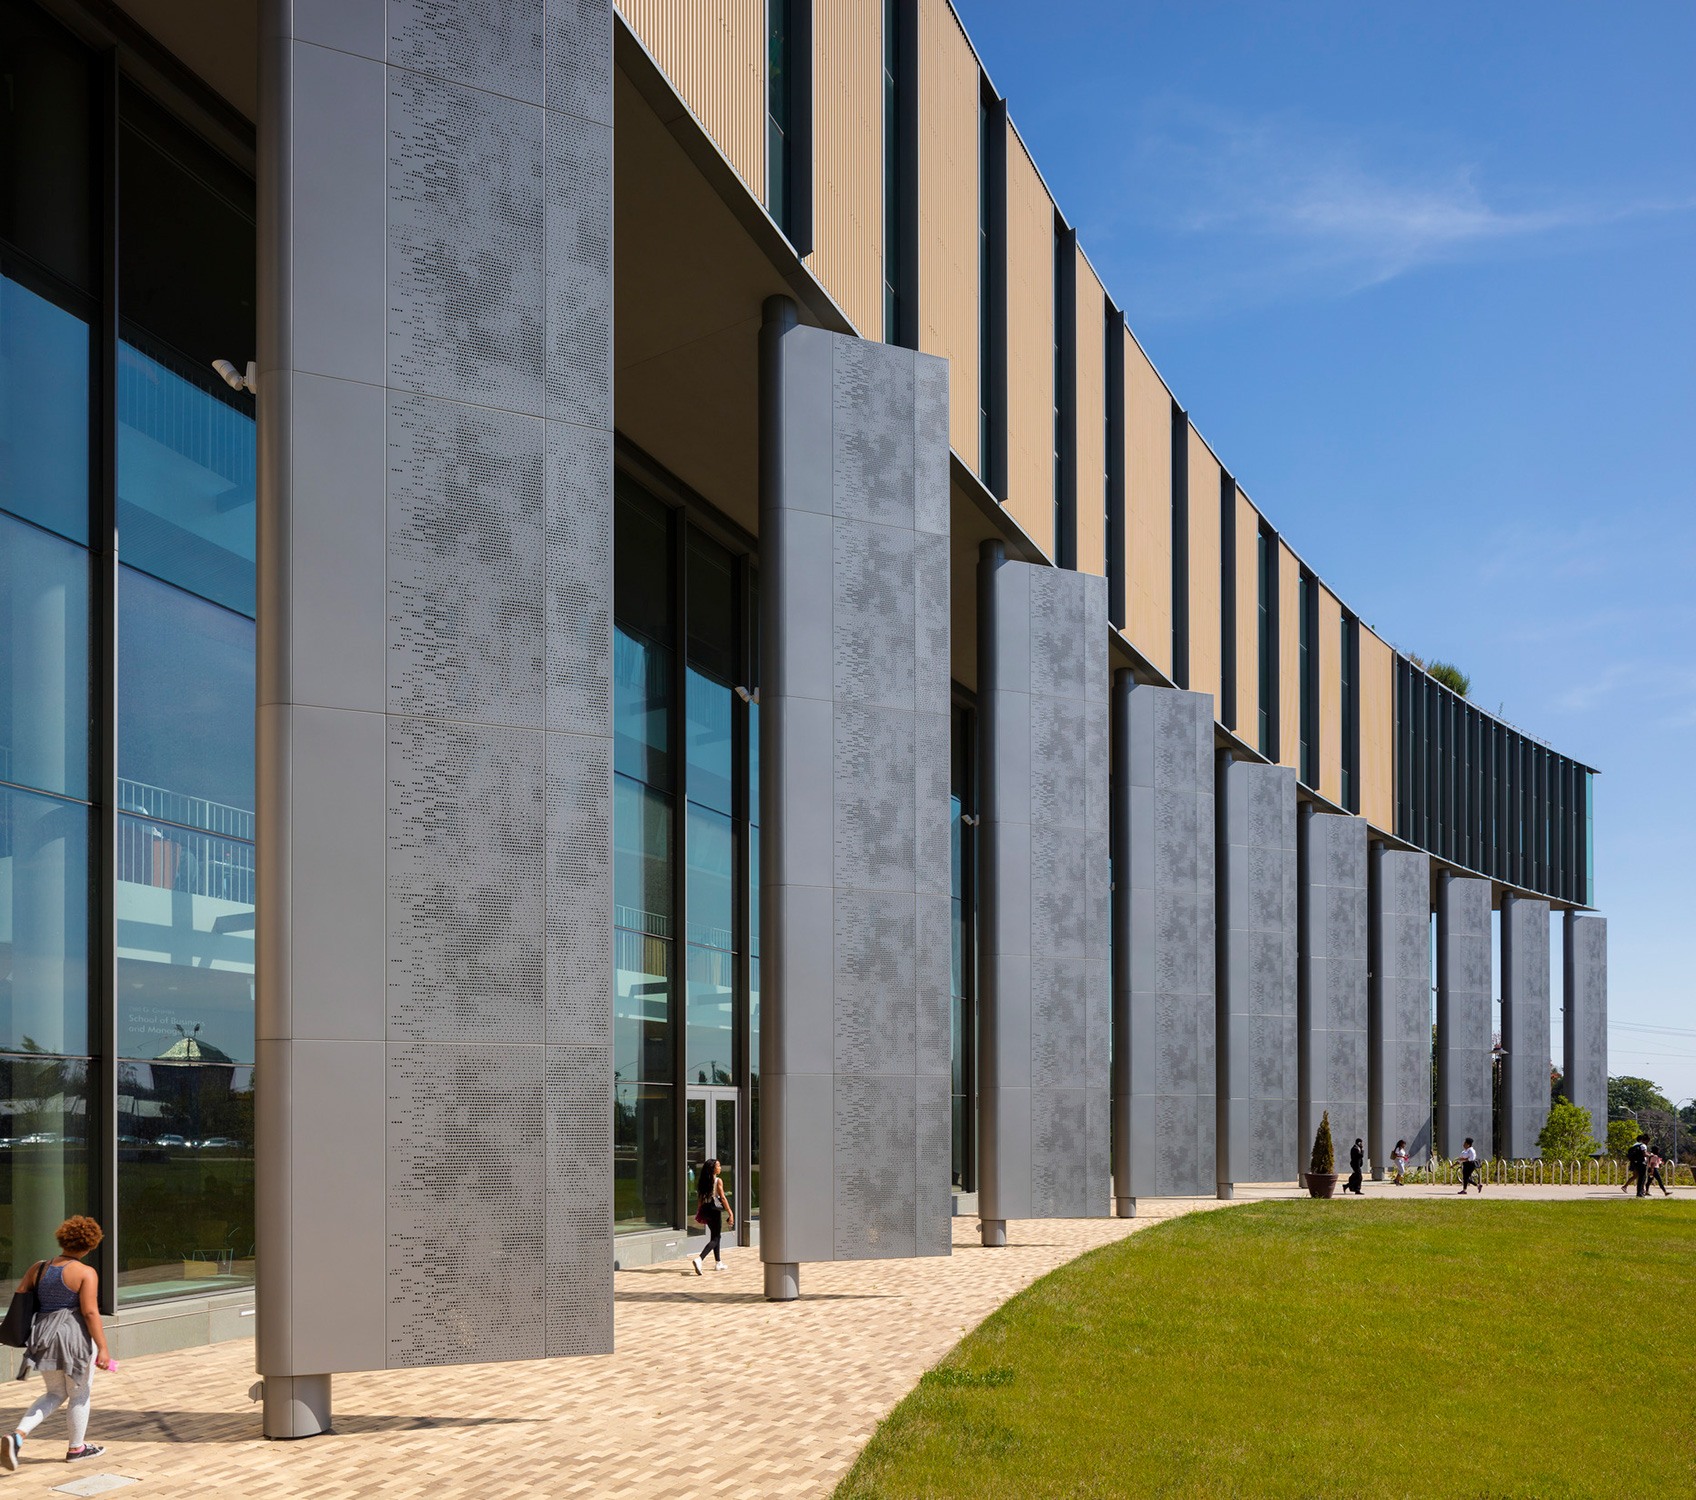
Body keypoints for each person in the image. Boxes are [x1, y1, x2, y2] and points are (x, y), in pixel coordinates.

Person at [1, 1216, 113, 1470]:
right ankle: (77, 1448)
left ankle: (17, 1436)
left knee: (55, 1392)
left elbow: (21, 1297)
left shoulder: (38, 1268)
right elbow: (90, 1312)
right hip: (74, 1338)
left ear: (63, 1239)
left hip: (43, 1337)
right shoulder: (86, 1272)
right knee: (79, 1393)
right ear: (90, 1245)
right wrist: (103, 1348)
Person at [690, 1158, 734, 1275]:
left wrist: (699, 1211)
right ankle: (699, 1259)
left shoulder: (703, 1181)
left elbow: (700, 1198)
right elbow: (723, 1198)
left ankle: (718, 1262)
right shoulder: (718, 1181)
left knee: (715, 1235)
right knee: (716, 1238)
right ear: (713, 1169)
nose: (720, 1167)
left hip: (705, 1209)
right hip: (714, 1211)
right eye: (718, 1166)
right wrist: (730, 1212)